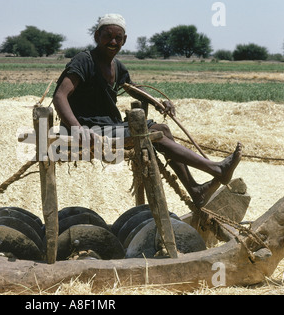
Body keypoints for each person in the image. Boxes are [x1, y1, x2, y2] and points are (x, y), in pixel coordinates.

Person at [52, 13, 242, 208]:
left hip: (108, 126)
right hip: (89, 130)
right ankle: (217, 169)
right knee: (151, 134)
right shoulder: (84, 60)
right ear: (96, 36)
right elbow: (60, 96)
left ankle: (195, 190)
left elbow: (134, 89)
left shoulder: (117, 66)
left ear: (124, 40)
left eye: (118, 38)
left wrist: (159, 102)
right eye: (108, 36)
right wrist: (77, 129)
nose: (113, 41)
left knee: (163, 129)